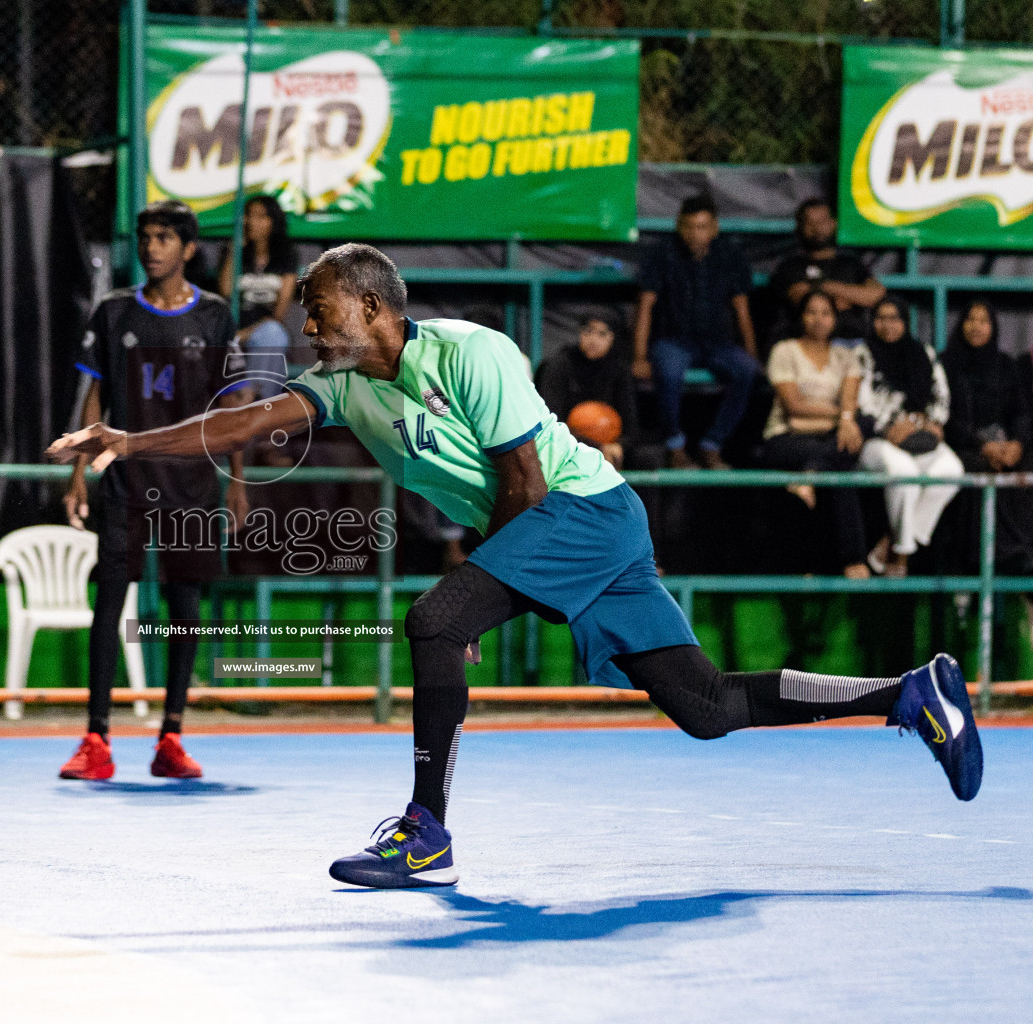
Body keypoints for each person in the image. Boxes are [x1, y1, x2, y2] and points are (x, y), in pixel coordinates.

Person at [49, 242, 982, 889]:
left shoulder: (472, 353)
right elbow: (242, 421)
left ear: (373, 307)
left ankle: (427, 837)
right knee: (703, 710)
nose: (309, 332)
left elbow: (526, 483)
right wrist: (130, 440)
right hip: (569, 536)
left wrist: (474, 605)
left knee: (431, 621)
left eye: (322, 314)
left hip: (587, 513)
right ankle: (908, 694)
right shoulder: (339, 387)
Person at [58, 200, 247, 782]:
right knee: (108, 604)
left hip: (192, 485)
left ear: (188, 249)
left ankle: (171, 736)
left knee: (185, 610)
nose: (151, 246)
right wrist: (78, 474)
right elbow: (94, 400)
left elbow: (233, 408)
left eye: (164, 237)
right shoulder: (113, 311)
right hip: (125, 482)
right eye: (145, 236)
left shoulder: (216, 317)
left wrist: (236, 483)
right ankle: (96, 739)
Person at [632, 193, 760, 470]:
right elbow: (645, 306)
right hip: (673, 340)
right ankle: (675, 447)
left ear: (714, 228)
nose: (695, 233)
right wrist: (640, 356)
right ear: (680, 226)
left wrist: (752, 353)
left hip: (717, 343)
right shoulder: (661, 253)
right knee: (667, 371)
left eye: (702, 226)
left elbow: (741, 308)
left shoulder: (730, 255)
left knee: (748, 370)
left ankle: (712, 446)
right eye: (689, 226)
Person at [759, 290, 868, 578]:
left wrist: (847, 418)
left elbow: (852, 403)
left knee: (861, 429)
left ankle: (809, 477)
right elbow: (793, 409)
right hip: (785, 438)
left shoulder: (847, 356)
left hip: (826, 439)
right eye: (812, 312)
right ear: (801, 316)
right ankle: (852, 559)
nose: (819, 319)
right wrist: (842, 418)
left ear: (835, 319)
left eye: (826, 313)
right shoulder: (785, 350)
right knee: (841, 457)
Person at [856, 297, 961, 578]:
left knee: (951, 471)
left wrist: (931, 422)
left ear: (905, 322)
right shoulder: (863, 354)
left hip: (919, 435)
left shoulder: (922, 353)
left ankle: (891, 544)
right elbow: (861, 403)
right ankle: (901, 557)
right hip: (877, 440)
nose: (887, 324)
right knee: (904, 472)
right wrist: (888, 427)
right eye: (881, 318)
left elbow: (941, 396)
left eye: (894, 318)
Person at [942, 300, 1033, 574]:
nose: (977, 327)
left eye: (984, 321)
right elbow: (946, 419)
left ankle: (1026, 551)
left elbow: (1021, 412)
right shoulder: (946, 363)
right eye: (971, 319)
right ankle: (1002, 554)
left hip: (1004, 446)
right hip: (964, 446)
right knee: (979, 469)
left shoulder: (1005, 364)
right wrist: (983, 447)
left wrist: (1016, 443)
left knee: (1027, 465)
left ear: (993, 327)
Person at [769, 198, 885, 347]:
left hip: (853, 342)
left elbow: (874, 295)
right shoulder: (790, 266)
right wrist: (850, 297)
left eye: (822, 222)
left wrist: (822, 287)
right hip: (806, 344)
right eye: (810, 223)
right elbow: (801, 297)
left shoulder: (852, 263)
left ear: (833, 223)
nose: (817, 228)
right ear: (800, 227)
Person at [535, 313, 640, 470]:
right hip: (567, 444)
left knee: (643, 458)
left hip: (610, 447)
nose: (593, 339)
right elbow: (552, 422)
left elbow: (631, 425)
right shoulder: (558, 365)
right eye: (588, 331)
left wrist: (619, 446)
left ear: (612, 338)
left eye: (602, 333)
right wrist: (596, 447)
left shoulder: (620, 369)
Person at [217, 194, 296, 399]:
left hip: (263, 329)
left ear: (273, 221)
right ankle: (254, 406)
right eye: (249, 216)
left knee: (273, 334)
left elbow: (279, 313)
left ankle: (255, 402)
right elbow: (225, 291)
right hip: (233, 327)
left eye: (261, 217)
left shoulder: (286, 254)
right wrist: (235, 249)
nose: (252, 221)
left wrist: (247, 333)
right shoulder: (234, 252)